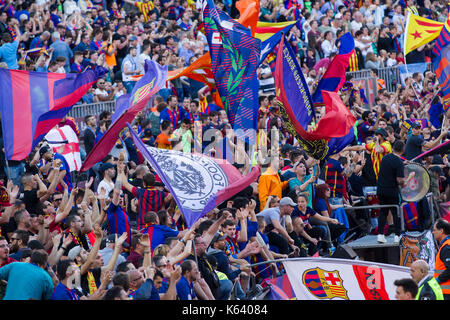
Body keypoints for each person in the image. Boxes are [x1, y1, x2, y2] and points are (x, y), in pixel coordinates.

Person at [376, 140, 406, 244]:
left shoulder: (385, 158)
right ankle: (397, 236)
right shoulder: (399, 162)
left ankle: (380, 235)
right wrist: (406, 181)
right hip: (392, 191)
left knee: (383, 212)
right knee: (395, 212)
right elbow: (399, 180)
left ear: (393, 148)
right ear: (403, 150)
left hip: (380, 189)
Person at [432, 218, 450, 300]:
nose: (433, 232)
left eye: (435, 230)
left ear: (441, 231)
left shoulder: (447, 247)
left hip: (446, 293)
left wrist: (436, 281)